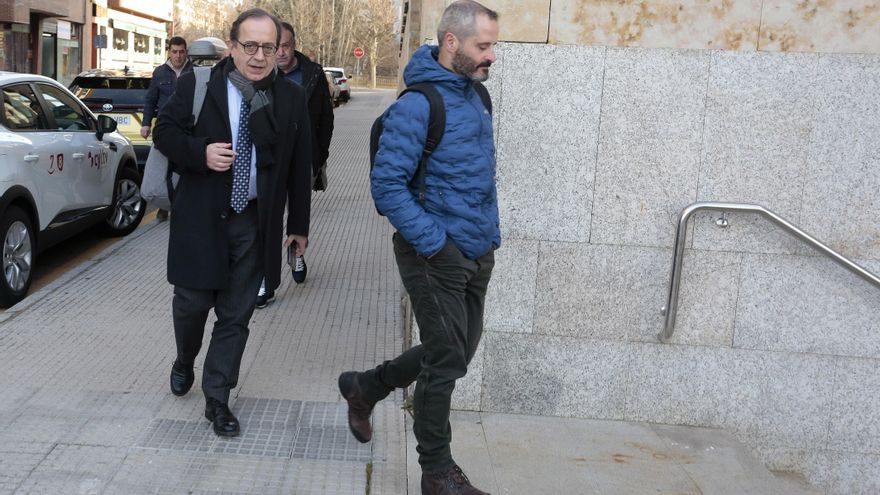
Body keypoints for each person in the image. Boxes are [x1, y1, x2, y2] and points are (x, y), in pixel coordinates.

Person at [337, 2, 499, 494]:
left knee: (453, 353)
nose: (492, 56)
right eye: (483, 46)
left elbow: (474, 178)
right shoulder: (418, 105)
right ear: (451, 42)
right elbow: (387, 186)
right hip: (433, 254)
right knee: (446, 359)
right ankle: (437, 470)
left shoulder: (476, 98)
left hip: (475, 251)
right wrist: (435, 244)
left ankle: (367, 386)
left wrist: (486, 239)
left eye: (493, 45)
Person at [153, 8, 312, 437]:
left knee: (236, 315)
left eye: (269, 47)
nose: (259, 57)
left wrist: (298, 225)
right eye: (250, 46)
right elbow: (164, 133)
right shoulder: (200, 84)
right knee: (191, 305)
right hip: (200, 219)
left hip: (253, 223)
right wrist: (199, 153)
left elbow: (300, 166)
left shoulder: (291, 97)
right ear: (233, 46)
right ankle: (185, 358)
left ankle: (217, 397)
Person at [254, 21, 334, 308]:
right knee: (269, 217)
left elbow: (326, 118)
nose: (283, 52)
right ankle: (266, 278)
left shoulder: (312, 74)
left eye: (287, 46)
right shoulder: (260, 75)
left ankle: (297, 252)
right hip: (273, 160)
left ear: (293, 45)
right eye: (279, 47)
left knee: (297, 212)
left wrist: (319, 156)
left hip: (302, 158)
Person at [142, 36, 193, 221]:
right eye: (174, 52)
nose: (178, 56)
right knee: (163, 169)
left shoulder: (195, 71)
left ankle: (178, 203)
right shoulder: (159, 73)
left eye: (181, 52)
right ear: (169, 52)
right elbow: (150, 100)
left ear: (186, 52)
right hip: (164, 129)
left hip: (187, 129)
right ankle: (163, 205)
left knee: (183, 168)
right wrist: (146, 123)